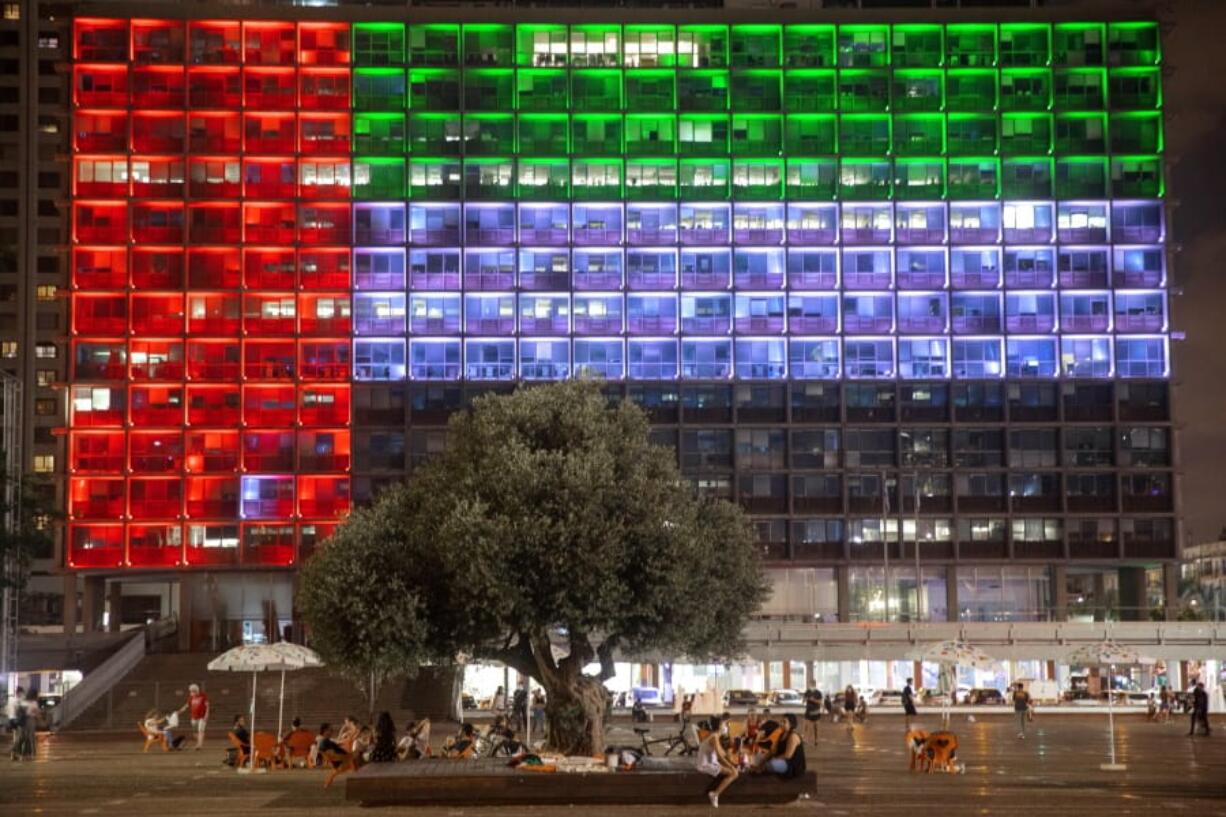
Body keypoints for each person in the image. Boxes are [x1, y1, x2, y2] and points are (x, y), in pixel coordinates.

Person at [695, 715, 738, 809]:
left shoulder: (715, 735)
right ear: (719, 726)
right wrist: (731, 766)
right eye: (724, 724)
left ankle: (715, 794)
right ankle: (715, 794)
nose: (725, 726)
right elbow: (720, 756)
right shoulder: (714, 737)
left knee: (733, 770)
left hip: (711, 763)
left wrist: (732, 762)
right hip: (705, 765)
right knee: (734, 773)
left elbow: (722, 754)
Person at [756, 714, 806, 779]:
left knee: (770, 764)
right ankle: (762, 769)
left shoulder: (793, 736)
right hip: (781, 760)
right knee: (757, 758)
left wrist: (770, 761)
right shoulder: (781, 734)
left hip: (792, 766)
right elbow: (773, 751)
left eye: (784, 722)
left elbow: (787, 756)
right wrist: (762, 761)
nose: (781, 723)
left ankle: (764, 771)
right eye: (781, 721)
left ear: (791, 724)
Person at [178, 683, 210, 750]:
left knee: (201, 730)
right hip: (194, 717)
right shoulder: (191, 697)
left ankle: (199, 745)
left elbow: (207, 706)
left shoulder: (203, 696)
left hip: (202, 717)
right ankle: (198, 743)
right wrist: (180, 711)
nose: (191, 692)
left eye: (193, 691)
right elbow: (186, 706)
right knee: (195, 732)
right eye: (191, 691)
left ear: (196, 690)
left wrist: (207, 714)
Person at [6, 685, 24, 761]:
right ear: (19, 692)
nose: (22, 695)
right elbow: (18, 711)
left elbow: (7, 710)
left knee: (15, 737)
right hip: (16, 720)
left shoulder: (10, 700)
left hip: (11, 720)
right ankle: (12, 749)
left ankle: (13, 755)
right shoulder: (17, 700)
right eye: (21, 693)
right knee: (19, 738)